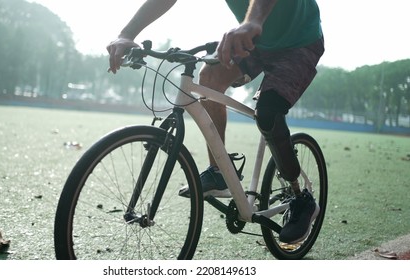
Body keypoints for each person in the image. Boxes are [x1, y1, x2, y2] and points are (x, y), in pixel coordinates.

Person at [107, 0, 324, 244]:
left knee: (268, 114)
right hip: (256, 40)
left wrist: (252, 21)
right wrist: (127, 34)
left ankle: (300, 197)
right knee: (208, 79)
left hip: (299, 41)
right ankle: (219, 172)